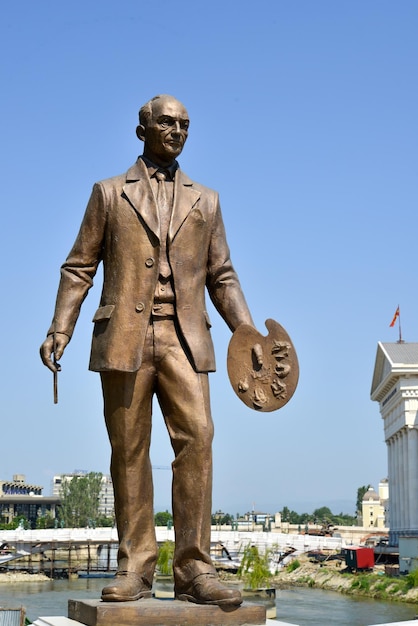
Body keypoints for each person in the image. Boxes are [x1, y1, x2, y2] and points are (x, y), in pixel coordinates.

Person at [40, 94, 254, 606]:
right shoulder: (109, 193)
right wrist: (60, 328)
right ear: (142, 130)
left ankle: (195, 571)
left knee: (198, 439)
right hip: (124, 339)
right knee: (129, 452)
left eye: (185, 125)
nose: (177, 131)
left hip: (186, 338)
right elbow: (79, 267)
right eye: (167, 122)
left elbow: (221, 275)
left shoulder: (207, 201)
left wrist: (248, 335)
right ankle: (135, 568)